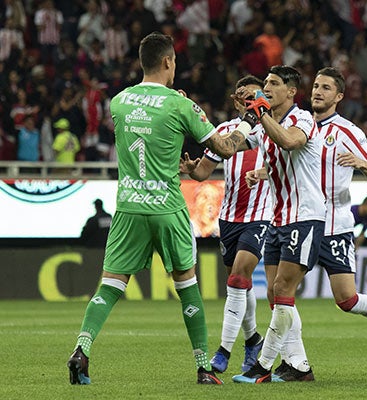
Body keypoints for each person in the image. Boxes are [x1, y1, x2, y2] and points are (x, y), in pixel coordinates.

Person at [66, 32, 258, 386]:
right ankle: (203, 367)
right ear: (168, 61)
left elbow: (146, 123)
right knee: (187, 286)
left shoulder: (119, 101)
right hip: (167, 207)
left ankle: (81, 349)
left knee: (109, 287)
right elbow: (225, 147)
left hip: (128, 207)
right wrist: (249, 120)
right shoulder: (181, 105)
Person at [267, 66, 367, 382]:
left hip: (333, 226)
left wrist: (361, 162)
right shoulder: (297, 124)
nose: (318, 91)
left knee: (347, 300)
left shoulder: (347, 132)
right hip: (298, 221)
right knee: (278, 293)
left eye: (326, 88)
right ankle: (296, 363)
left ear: (339, 96)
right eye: (316, 86)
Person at [231, 65, 326, 384]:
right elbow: (233, 144)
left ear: (290, 92)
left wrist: (261, 113)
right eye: (265, 83)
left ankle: (262, 366)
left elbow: (288, 142)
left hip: (305, 216)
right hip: (279, 218)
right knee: (275, 293)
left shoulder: (302, 119)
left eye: (273, 83)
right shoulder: (263, 124)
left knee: (284, 288)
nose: (266, 87)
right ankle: (299, 366)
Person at [179, 75, 271, 374]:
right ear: (235, 101)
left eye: (252, 94)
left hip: (261, 215)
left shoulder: (275, 130)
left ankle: (223, 351)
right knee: (239, 285)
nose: (246, 99)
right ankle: (253, 339)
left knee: (239, 277)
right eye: (241, 95)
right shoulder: (224, 132)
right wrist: (193, 170)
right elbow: (204, 172)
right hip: (229, 218)